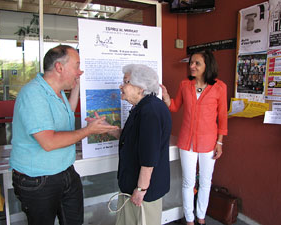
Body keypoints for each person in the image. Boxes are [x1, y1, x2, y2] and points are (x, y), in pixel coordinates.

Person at [9, 45, 118, 225]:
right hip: (38, 180)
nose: (80, 71)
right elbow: (48, 142)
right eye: (76, 65)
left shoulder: (56, 92)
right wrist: (88, 131)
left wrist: (77, 86)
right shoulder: (33, 94)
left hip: (65, 172)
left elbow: (68, 110)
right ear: (59, 67)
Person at [90, 64, 172, 225]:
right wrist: (107, 128)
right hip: (132, 187)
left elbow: (149, 158)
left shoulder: (150, 111)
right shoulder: (143, 107)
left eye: (126, 82)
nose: (121, 86)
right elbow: (133, 139)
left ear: (140, 88)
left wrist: (140, 190)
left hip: (143, 193)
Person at [161, 49, 228, 225]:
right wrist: (167, 97)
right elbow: (175, 107)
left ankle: (201, 217)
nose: (192, 66)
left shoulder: (220, 87)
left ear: (207, 66)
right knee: (188, 182)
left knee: (205, 182)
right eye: (191, 62)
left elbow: (222, 118)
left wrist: (220, 142)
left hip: (209, 142)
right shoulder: (185, 85)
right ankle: (189, 219)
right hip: (187, 141)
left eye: (197, 63)